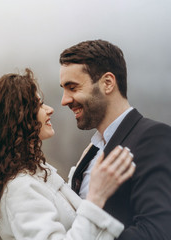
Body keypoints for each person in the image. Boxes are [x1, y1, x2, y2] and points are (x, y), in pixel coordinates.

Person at [0, 69, 135, 240]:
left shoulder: (33, 174)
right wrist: (95, 198)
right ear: (18, 118)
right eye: (38, 105)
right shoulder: (19, 189)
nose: (49, 109)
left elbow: (60, 212)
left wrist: (79, 170)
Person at [59, 39, 171, 239]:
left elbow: (157, 230)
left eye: (73, 88)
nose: (64, 100)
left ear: (107, 83)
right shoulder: (92, 152)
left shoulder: (154, 137)